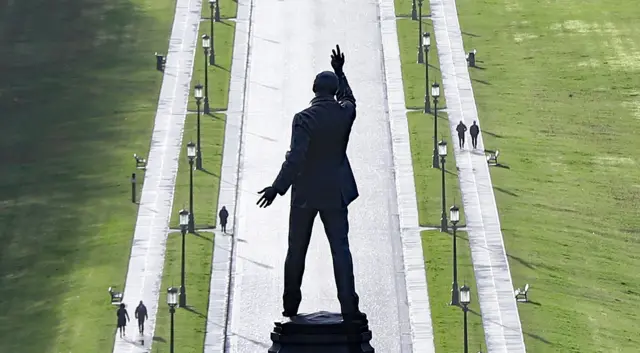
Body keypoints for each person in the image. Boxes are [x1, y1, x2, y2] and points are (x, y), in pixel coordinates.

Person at [256, 45, 364, 323]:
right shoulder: (344, 114)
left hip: (305, 193)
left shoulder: (303, 119)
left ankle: (290, 304)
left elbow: (296, 161)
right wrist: (341, 72)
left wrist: (277, 188)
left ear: (313, 90)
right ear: (332, 89)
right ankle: (349, 305)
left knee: (296, 250)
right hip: (335, 190)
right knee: (341, 249)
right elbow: (350, 98)